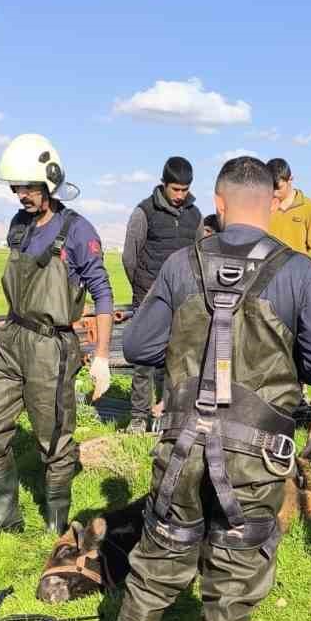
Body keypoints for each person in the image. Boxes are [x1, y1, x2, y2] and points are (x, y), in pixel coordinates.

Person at [88, 156, 311, 621]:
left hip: (181, 450)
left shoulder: (184, 264)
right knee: (233, 579)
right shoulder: (298, 273)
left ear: (219, 202)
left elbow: (141, 345)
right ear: (274, 204)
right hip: (255, 459)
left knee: (156, 566)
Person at [0, 134, 113, 544]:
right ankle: (4, 515)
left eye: (28, 187)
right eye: (16, 188)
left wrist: (101, 357)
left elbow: (102, 292)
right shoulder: (19, 226)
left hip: (52, 346)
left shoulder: (78, 231)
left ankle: (55, 526)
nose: (21, 196)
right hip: (13, 338)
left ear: (50, 181)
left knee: (53, 439)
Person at [121, 157, 201, 434]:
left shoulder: (195, 215)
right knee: (143, 361)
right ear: (163, 184)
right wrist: (145, 289)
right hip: (148, 297)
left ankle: (170, 413)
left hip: (182, 301)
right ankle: (139, 417)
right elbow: (130, 256)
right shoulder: (144, 212)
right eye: (175, 189)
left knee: (177, 358)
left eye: (185, 189)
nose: (180, 195)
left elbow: (199, 255)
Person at [266, 157, 311, 262]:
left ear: (290, 179)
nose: (274, 192)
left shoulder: (308, 206)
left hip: (296, 275)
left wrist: (304, 273)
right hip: (267, 274)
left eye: (278, 188)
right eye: (271, 187)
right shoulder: (262, 206)